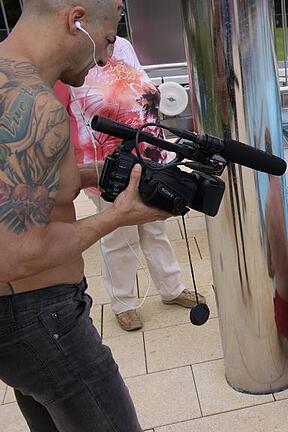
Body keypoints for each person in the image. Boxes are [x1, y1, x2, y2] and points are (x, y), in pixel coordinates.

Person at [0, 1, 169, 431]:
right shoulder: (34, 105)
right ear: (76, 21)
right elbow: (20, 254)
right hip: (41, 319)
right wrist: (118, 216)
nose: (108, 57)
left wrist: (104, 172)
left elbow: (26, 186)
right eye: (109, 38)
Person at [59, 35, 205, 332]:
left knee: (155, 227)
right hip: (106, 166)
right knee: (117, 237)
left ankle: (171, 288)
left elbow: (142, 90)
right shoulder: (68, 53)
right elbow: (61, 117)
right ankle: (123, 302)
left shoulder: (122, 45)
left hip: (149, 156)